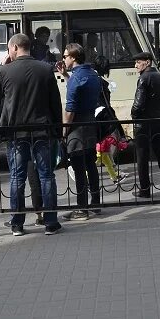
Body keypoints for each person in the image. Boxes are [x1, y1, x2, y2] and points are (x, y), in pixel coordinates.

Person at [0, 33, 63, 236]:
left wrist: (2, 67)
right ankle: (50, 222)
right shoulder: (45, 69)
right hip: (42, 131)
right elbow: (54, 103)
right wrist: (58, 130)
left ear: (14, 48)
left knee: (17, 178)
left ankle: (17, 224)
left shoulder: (5, 70)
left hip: (15, 133)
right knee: (47, 176)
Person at [60, 43, 102, 220]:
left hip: (77, 130)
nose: (63, 59)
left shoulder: (77, 79)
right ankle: (96, 203)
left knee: (78, 168)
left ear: (73, 57)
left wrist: (63, 132)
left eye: (65, 56)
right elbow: (82, 91)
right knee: (91, 165)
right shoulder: (92, 74)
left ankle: (82, 208)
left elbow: (70, 110)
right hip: (90, 124)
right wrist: (65, 75)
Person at [131, 51, 160, 197]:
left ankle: (144, 189)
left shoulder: (144, 78)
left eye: (138, 62)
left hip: (143, 123)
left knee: (142, 156)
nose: (135, 65)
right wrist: (158, 110)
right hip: (158, 121)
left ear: (148, 62)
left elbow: (138, 105)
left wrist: (135, 116)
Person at [93, 55, 129, 185]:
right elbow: (105, 103)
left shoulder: (92, 79)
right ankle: (113, 174)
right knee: (104, 148)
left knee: (103, 149)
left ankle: (114, 174)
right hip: (103, 118)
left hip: (97, 117)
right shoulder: (101, 83)